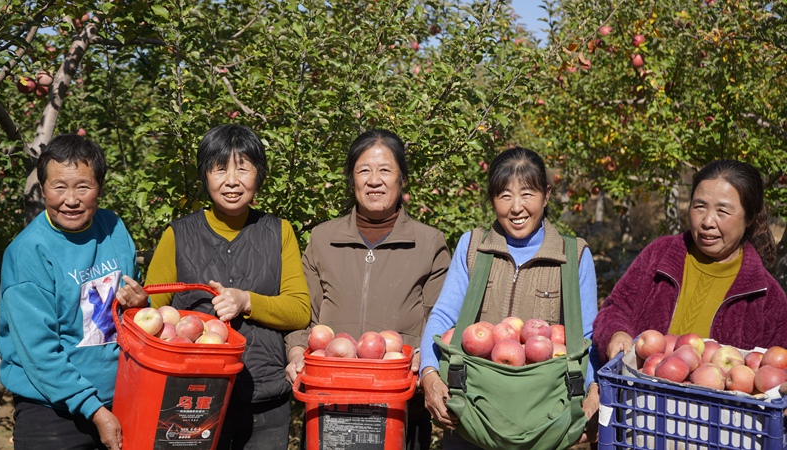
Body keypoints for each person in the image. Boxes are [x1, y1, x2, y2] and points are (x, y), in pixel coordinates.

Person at [117, 124, 310, 450]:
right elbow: (154, 322)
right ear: (205, 175)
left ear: (258, 175)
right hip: (190, 399)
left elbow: (299, 311)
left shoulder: (279, 232)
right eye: (220, 168)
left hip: (263, 398)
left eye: (243, 168)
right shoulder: (177, 236)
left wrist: (247, 301)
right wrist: (137, 307)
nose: (231, 180)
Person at [418, 146, 601, 448]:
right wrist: (429, 376)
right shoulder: (473, 246)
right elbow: (443, 317)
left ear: (546, 195)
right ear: (492, 200)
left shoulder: (574, 256)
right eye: (505, 195)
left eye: (527, 194)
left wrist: (594, 390)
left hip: (545, 420)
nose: (516, 207)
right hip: (473, 416)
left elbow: (587, 334)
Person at [284, 129, 451, 450]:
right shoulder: (322, 239)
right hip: (328, 403)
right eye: (364, 170)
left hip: (401, 406)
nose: (374, 180)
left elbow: (440, 321)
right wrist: (295, 353)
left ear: (402, 179)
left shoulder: (429, 242)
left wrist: (425, 360)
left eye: (385, 170)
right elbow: (302, 314)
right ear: (352, 179)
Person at [0, 134, 144, 450]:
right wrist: (94, 410)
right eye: (59, 187)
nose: (71, 199)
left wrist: (141, 303)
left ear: (100, 189)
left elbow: (130, 307)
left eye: (83, 186)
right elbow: (39, 351)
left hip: (119, 400)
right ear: (42, 189)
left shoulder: (114, 228)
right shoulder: (29, 252)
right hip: (53, 413)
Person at [594, 159, 787, 362]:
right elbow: (616, 308)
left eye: (722, 211)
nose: (707, 222)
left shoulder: (767, 297)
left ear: (749, 218)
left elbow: (776, 366)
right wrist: (616, 333)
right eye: (700, 207)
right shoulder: (659, 255)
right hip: (638, 391)